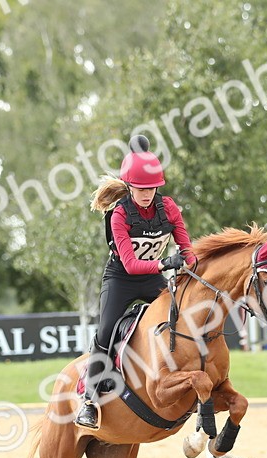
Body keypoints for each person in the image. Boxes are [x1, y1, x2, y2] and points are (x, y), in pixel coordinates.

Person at [75, 135, 197, 430]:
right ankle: (89, 401)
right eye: (140, 189)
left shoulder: (169, 209)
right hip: (121, 279)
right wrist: (164, 264)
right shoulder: (119, 214)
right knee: (105, 331)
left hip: (153, 278)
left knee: (181, 318)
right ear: (129, 187)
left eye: (151, 188)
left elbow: (187, 249)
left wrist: (191, 265)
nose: (146, 193)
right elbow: (130, 264)